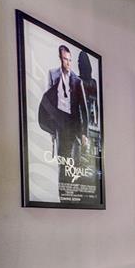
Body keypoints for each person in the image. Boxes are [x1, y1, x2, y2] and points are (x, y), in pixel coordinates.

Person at [37, 44, 88, 185]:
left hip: (74, 123)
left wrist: (84, 133)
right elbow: (48, 101)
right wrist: (52, 128)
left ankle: (73, 187)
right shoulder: (53, 74)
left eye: (70, 60)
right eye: (65, 59)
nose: (68, 63)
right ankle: (63, 188)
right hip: (59, 122)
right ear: (60, 58)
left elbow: (83, 109)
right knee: (62, 160)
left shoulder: (77, 81)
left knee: (75, 160)